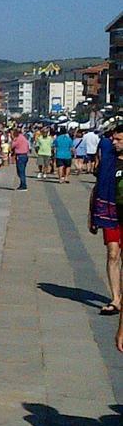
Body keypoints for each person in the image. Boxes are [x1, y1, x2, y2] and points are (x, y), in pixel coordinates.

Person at [89, 122, 123, 315]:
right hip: (110, 214)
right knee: (112, 254)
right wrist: (92, 215)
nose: (114, 142)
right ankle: (115, 299)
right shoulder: (109, 160)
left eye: (118, 139)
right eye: (113, 138)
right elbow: (97, 187)